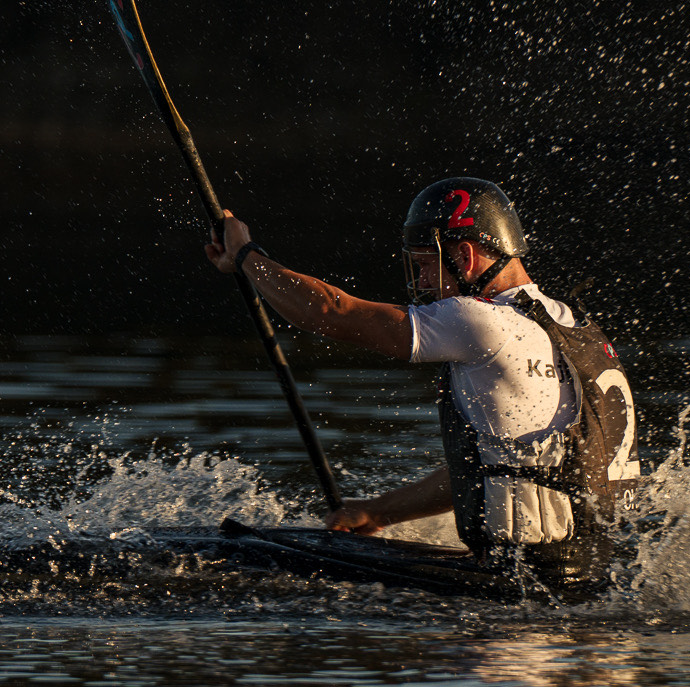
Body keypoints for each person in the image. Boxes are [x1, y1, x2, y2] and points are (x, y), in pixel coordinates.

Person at [204, 177, 640, 587]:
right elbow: (494, 471)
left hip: (520, 594)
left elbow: (332, 312)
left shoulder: (483, 319)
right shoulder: (574, 326)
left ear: (465, 256)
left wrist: (245, 257)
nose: (426, 283)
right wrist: (376, 513)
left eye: (425, 266)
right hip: (585, 581)